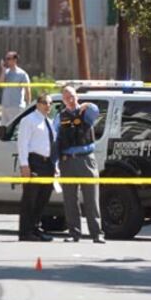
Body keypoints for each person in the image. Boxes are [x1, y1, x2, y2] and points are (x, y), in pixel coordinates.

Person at [54, 86, 105, 243]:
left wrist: (87, 104)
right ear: (63, 99)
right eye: (67, 97)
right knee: (70, 200)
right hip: (67, 160)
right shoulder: (60, 117)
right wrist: (55, 163)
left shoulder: (86, 112)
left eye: (73, 96)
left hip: (86, 160)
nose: (70, 99)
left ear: (77, 97)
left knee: (91, 199)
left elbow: (96, 111)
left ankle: (97, 234)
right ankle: (74, 233)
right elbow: (55, 140)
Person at [16, 93, 56, 242]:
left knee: (42, 198)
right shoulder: (29, 120)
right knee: (30, 198)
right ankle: (25, 232)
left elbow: (51, 144)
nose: (48, 106)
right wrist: (24, 165)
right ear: (38, 104)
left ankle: (35, 228)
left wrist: (55, 165)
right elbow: (22, 143)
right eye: (45, 103)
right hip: (35, 162)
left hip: (48, 164)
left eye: (50, 103)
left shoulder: (49, 122)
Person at [0, 51, 31, 125]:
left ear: (15, 60)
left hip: (16, 106)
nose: (6, 61)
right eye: (6, 58)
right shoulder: (6, 72)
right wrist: (3, 71)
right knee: (4, 128)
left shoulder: (22, 74)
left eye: (9, 58)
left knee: (15, 128)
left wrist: (28, 105)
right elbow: (0, 84)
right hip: (5, 105)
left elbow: (27, 90)